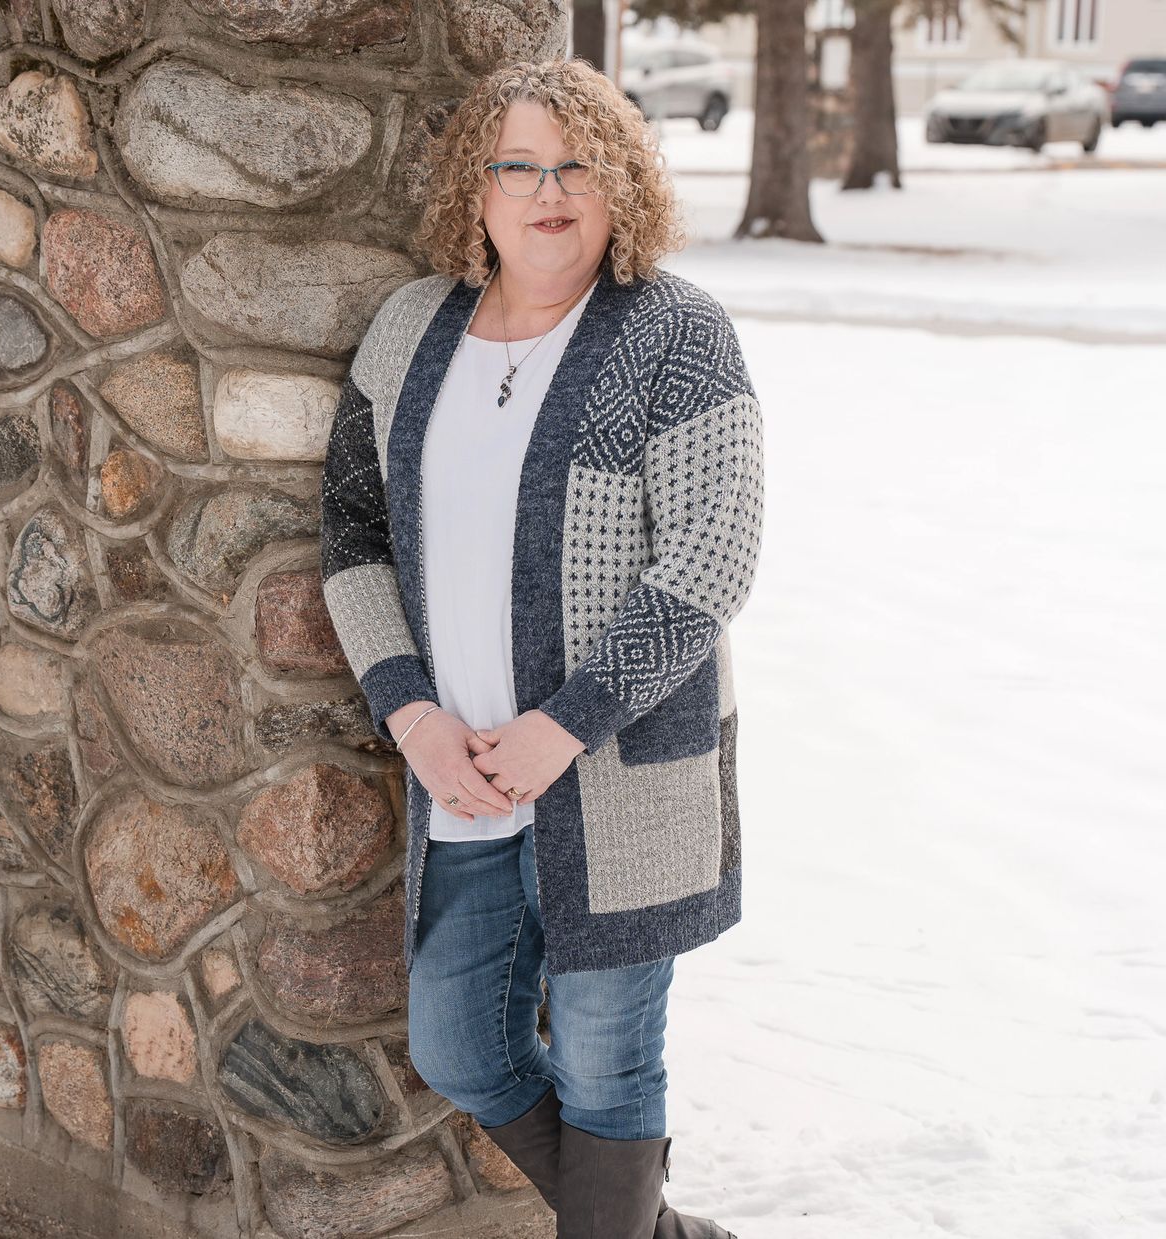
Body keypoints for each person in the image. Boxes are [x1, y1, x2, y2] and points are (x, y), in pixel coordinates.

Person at [319, 56, 763, 1239]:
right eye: (518, 165)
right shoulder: (413, 331)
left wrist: (564, 724)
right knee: (455, 1045)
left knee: (613, 1066)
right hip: (460, 778)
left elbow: (710, 564)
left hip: (615, 779)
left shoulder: (674, 337)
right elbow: (351, 531)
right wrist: (410, 711)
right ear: (477, 188)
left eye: (578, 166)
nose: (547, 191)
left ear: (621, 187)